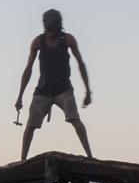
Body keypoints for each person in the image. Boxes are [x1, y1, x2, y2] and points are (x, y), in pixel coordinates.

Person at [15, 9, 93, 160]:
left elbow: (81, 64)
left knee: (75, 120)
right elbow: (28, 70)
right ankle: (22, 160)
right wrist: (20, 97)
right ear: (45, 26)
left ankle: (90, 155)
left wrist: (88, 92)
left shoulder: (68, 39)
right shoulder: (38, 42)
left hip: (63, 90)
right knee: (30, 126)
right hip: (43, 90)